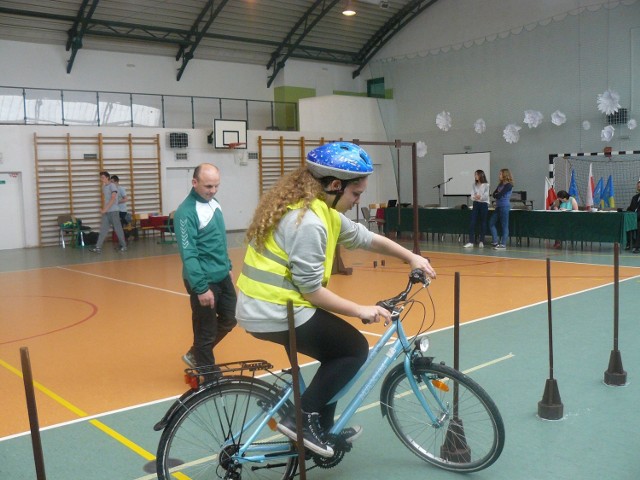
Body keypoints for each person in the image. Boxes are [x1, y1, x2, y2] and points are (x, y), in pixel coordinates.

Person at [235, 142, 436, 458]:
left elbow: (364, 238)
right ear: (333, 185)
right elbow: (312, 291)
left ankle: (320, 430)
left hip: (270, 305)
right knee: (352, 349)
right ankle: (303, 421)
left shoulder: (316, 209)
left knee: (337, 353)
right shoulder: (310, 223)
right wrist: (361, 310)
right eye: (355, 194)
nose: (358, 201)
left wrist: (411, 256)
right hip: (274, 309)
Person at [174, 164, 237, 372]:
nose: (213, 191)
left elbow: (218, 239)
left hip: (221, 275)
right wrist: (200, 287)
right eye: (208, 186)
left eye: (216, 186)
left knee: (229, 318)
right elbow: (188, 252)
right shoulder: (186, 212)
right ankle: (208, 374)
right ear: (194, 183)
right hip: (202, 278)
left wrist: (227, 265)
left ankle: (196, 354)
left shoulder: (214, 203)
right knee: (206, 331)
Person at [89, 171, 127, 253]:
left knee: (118, 229)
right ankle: (98, 247)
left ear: (107, 177)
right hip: (107, 212)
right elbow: (106, 200)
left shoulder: (112, 186)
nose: (101, 179)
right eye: (100, 177)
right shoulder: (104, 187)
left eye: (103, 177)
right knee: (103, 229)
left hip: (114, 211)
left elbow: (113, 199)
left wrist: (105, 209)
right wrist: (104, 209)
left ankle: (123, 246)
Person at [463, 169, 489, 248]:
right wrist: (475, 197)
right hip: (476, 204)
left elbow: (486, 196)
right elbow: (472, 195)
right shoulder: (474, 185)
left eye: (477, 175)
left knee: (483, 222)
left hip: (483, 204)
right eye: (475, 175)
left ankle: (482, 241)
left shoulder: (486, 185)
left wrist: (479, 197)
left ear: (481, 175)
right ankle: (471, 241)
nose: (475, 176)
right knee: (472, 222)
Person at [489, 168, 514, 250]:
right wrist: (497, 194)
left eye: (500, 174)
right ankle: (495, 241)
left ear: (504, 175)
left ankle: (503, 244)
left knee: (504, 225)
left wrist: (497, 194)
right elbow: (494, 194)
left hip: (504, 206)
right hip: (498, 206)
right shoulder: (500, 185)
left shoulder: (508, 185)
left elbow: (499, 195)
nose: (499, 175)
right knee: (491, 223)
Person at [626, 180, 640, 253]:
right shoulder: (635, 197)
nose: (638, 187)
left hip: (638, 218)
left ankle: (637, 247)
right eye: (637, 186)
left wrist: (636, 217)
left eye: (639, 186)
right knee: (626, 224)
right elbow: (631, 208)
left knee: (639, 226)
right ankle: (630, 243)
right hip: (633, 217)